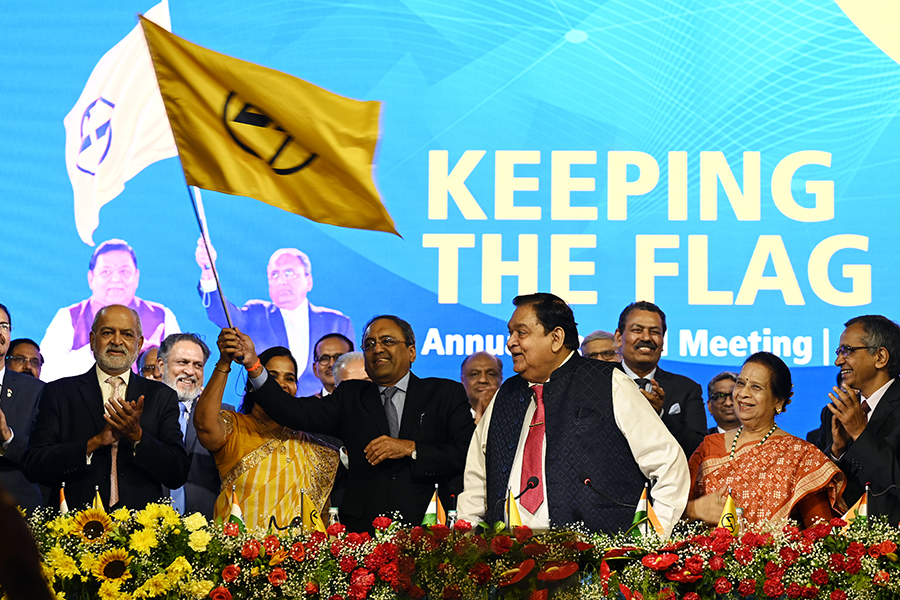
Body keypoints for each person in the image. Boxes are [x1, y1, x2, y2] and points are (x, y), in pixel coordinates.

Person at [458, 293, 689, 536]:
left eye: (521, 333)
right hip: (510, 559)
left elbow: (669, 464)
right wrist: (467, 544)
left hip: (597, 561)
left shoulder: (609, 383)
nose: (511, 343)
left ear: (556, 337)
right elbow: (476, 480)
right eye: (510, 333)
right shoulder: (505, 395)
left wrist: (650, 540)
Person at [234, 315, 475, 533]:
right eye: (369, 344)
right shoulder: (350, 396)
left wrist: (411, 448)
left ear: (411, 352)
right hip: (363, 532)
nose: (377, 348)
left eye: (387, 341)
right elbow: (292, 411)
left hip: (428, 525)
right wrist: (254, 365)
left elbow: (465, 454)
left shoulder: (444, 393)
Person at [22, 305, 189, 510]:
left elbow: (177, 473)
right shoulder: (59, 392)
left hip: (142, 534)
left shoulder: (161, 396)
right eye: (108, 332)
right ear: (92, 340)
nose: (117, 341)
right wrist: (94, 443)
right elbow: (34, 466)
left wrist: (137, 436)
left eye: (127, 334)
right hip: (73, 529)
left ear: (139, 343)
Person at [686, 352, 846, 528]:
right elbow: (672, 511)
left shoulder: (802, 456)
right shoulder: (709, 447)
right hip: (707, 554)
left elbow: (820, 532)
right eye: (741, 383)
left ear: (778, 401)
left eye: (756, 387)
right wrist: (694, 509)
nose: (743, 393)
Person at [193, 338, 339, 530]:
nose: (281, 384)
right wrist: (224, 362)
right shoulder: (234, 427)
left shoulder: (315, 448)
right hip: (240, 554)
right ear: (253, 383)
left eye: (289, 378)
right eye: (272, 377)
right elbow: (204, 425)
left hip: (300, 557)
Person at [196, 240, 354, 396]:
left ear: (309, 281)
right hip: (265, 410)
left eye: (289, 273)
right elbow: (223, 315)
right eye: (275, 274)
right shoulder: (256, 313)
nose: (282, 280)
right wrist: (208, 271)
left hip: (322, 412)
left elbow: (351, 371)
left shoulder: (337, 322)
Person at [41, 239, 180, 381]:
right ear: (91, 278)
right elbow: (46, 373)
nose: (115, 279)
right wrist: (99, 348)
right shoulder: (69, 316)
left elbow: (180, 372)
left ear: (137, 277)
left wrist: (150, 355)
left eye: (124, 271)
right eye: (106, 272)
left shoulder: (161, 316)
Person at [817, 315, 900, 524]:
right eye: (838, 352)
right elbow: (815, 490)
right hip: (840, 546)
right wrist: (837, 451)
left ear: (880, 357)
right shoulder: (835, 412)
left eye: (847, 351)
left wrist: (860, 435)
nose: (838, 361)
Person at [615, 301, 706, 457]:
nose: (646, 337)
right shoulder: (601, 384)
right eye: (637, 330)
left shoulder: (686, 389)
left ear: (663, 342)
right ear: (618, 338)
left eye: (655, 332)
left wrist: (661, 414)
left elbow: (698, 448)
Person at [157, 333, 231, 519]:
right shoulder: (143, 413)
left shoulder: (222, 415)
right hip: (149, 530)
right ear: (161, 366)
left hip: (208, 532)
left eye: (197, 365)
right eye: (182, 362)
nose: (190, 371)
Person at [0, 305, 45, 512]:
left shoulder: (35, 390)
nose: (1, 332)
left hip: (16, 512)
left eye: (5, 326)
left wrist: (7, 436)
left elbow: (45, 452)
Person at [460, 351, 502, 423]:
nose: (483, 380)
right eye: (474, 374)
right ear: (463, 380)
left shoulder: (514, 415)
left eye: (491, 374)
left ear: (501, 380)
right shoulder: (451, 419)